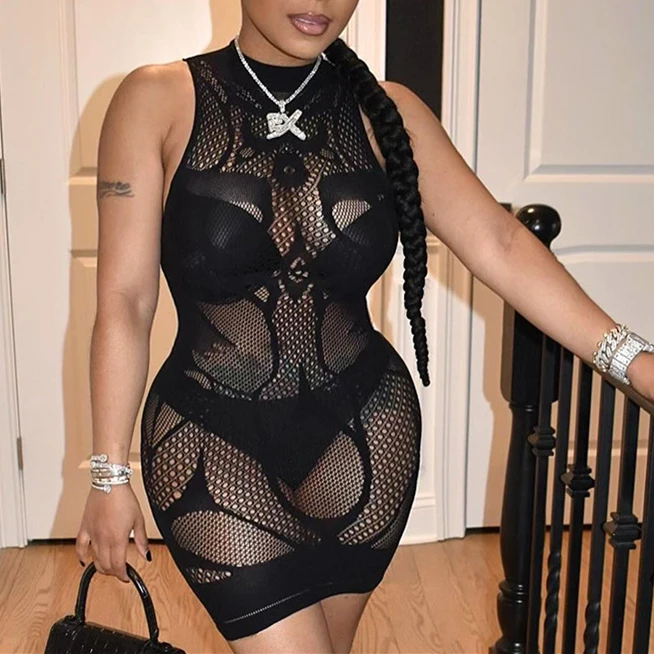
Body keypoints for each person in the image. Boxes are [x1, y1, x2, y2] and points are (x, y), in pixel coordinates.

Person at [74, 1, 654, 652]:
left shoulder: (387, 112)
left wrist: (633, 361)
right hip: (210, 444)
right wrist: (108, 475)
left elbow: (501, 243)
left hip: (365, 438)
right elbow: (125, 301)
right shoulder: (156, 101)